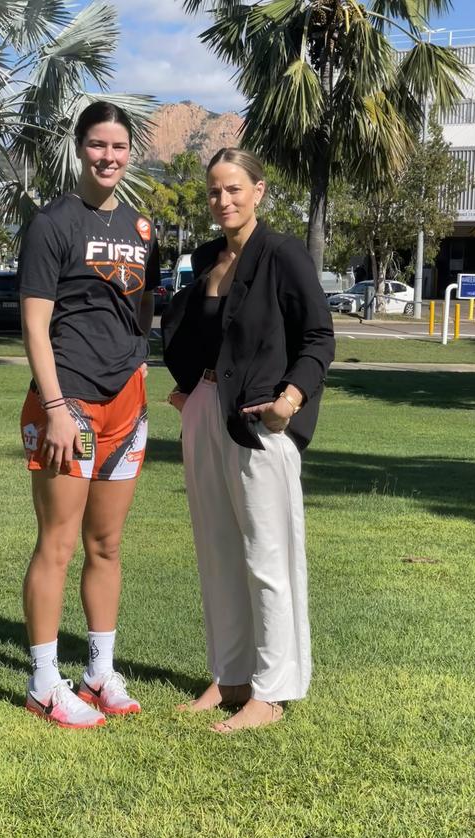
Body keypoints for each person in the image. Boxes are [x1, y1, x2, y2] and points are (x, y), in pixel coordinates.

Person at [162, 147, 335, 733]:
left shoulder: (282, 255)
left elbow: (318, 337)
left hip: (262, 418)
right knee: (217, 551)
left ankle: (273, 688)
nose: (223, 200)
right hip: (208, 411)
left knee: (268, 555)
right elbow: (195, 333)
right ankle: (230, 676)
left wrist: (290, 401)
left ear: (258, 191)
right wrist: (190, 389)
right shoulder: (207, 256)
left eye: (235, 189)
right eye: (214, 190)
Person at [17, 101, 159, 728]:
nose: (109, 157)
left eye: (119, 147)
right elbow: (35, 323)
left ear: (130, 154)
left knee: (107, 544)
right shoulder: (52, 223)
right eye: (98, 145)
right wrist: (54, 408)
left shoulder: (142, 227)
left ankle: (99, 672)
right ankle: (45, 681)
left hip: (127, 403)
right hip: (68, 403)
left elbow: (143, 306)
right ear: (80, 148)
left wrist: (141, 361)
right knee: (59, 543)